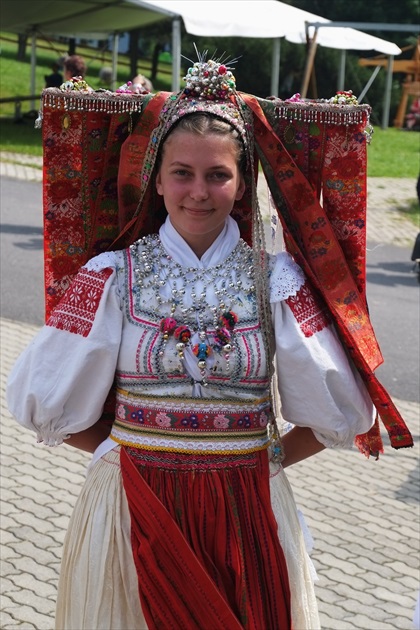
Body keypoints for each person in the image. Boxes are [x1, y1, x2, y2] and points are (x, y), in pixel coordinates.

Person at [7, 55, 411, 629]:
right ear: (157, 176)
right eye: (182, 173)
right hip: (133, 503)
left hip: (246, 510)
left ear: (242, 181)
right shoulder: (112, 275)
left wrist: (262, 463)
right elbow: (43, 399)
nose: (199, 191)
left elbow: (341, 412)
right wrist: (117, 453)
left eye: (217, 174)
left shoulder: (276, 280)